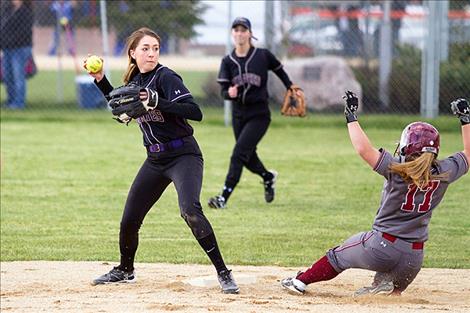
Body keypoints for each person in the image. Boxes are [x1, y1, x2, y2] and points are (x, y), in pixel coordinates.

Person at [85, 27, 239, 294]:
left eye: (155, 48)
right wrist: (100, 79)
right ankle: (125, 270)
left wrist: (158, 102)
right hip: (155, 160)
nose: (151, 53)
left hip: (184, 156)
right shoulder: (134, 78)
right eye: (145, 48)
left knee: (190, 211)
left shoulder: (166, 77)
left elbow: (195, 112)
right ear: (133, 53)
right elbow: (119, 103)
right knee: (129, 219)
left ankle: (223, 272)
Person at [281, 93, 469, 297]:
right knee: (388, 292)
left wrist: (351, 116)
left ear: (407, 147)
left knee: (337, 256)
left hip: (381, 247)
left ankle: (300, 281)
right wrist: (465, 119)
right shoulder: (446, 171)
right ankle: (387, 286)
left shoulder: (397, 169)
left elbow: (363, 149)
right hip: (413, 258)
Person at [208, 17, 302, 209]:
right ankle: (268, 177)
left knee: (238, 155)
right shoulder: (228, 61)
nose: (240, 33)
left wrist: (290, 87)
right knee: (247, 157)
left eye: (243, 30)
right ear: (232, 34)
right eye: (236, 30)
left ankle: (223, 197)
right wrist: (229, 93)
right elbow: (224, 92)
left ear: (250, 33)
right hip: (238, 115)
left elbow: (280, 71)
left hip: (259, 114)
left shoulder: (262, 55)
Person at [0, 0, 33, 109]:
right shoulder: (7, 9)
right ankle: (11, 100)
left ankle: (19, 103)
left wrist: (7, 40)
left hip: (20, 48)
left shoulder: (26, 11)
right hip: (7, 48)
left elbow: (23, 32)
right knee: (8, 76)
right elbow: (3, 27)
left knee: (18, 76)